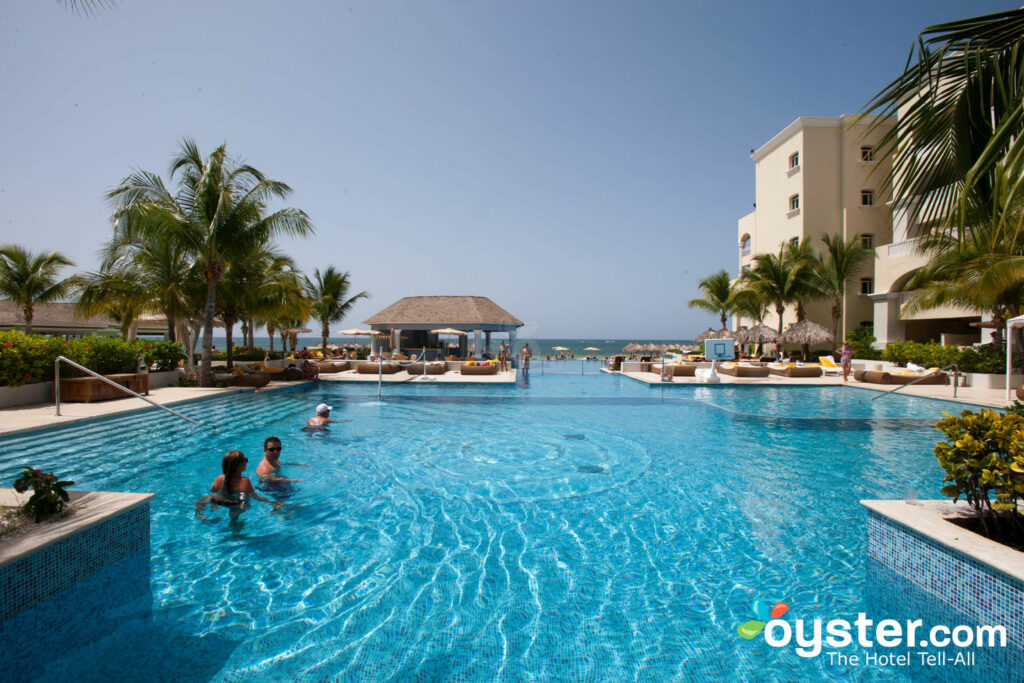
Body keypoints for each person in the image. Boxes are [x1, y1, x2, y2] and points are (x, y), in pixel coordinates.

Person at [196, 450, 281, 519]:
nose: (246, 462)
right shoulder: (244, 481)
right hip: (236, 505)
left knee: (203, 499)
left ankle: (199, 514)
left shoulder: (220, 478)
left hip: (221, 501)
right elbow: (256, 497)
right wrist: (272, 502)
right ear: (238, 466)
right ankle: (235, 530)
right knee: (242, 507)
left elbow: (212, 492)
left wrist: (214, 505)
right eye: (245, 460)